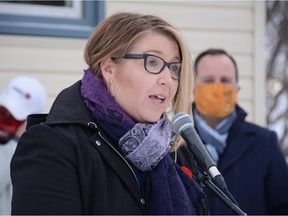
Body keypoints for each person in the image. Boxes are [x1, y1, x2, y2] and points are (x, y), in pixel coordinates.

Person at [10, 12, 208, 215]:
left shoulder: (176, 150)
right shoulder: (53, 146)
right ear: (108, 69)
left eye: (174, 68)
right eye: (153, 62)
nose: (168, 79)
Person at [175, 48, 288, 215]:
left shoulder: (264, 142)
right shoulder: (175, 143)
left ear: (237, 89)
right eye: (208, 80)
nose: (217, 87)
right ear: (194, 88)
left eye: (225, 80)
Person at [0, 76, 46, 215]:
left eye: (13, 118)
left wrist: (15, 143)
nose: (5, 120)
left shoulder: (36, 156)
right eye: (3, 112)